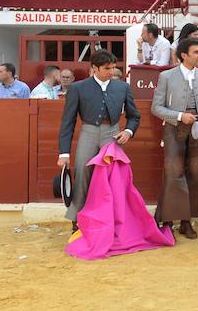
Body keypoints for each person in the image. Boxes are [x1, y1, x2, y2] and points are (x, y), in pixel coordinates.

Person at [57, 50, 140, 232]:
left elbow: (134, 116)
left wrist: (128, 131)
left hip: (113, 133)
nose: (111, 72)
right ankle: (77, 220)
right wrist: (64, 152)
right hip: (88, 131)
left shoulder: (122, 87)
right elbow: (68, 122)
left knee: (114, 178)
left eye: (113, 68)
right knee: (82, 174)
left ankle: (114, 221)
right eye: (106, 68)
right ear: (94, 68)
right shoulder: (78, 88)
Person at [151, 38, 198, 239]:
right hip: (174, 128)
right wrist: (179, 116)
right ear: (183, 55)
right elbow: (156, 108)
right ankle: (167, 219)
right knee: (174, 172)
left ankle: (187, 222)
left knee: (195, 172)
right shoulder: (167, 76)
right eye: (196, 52)